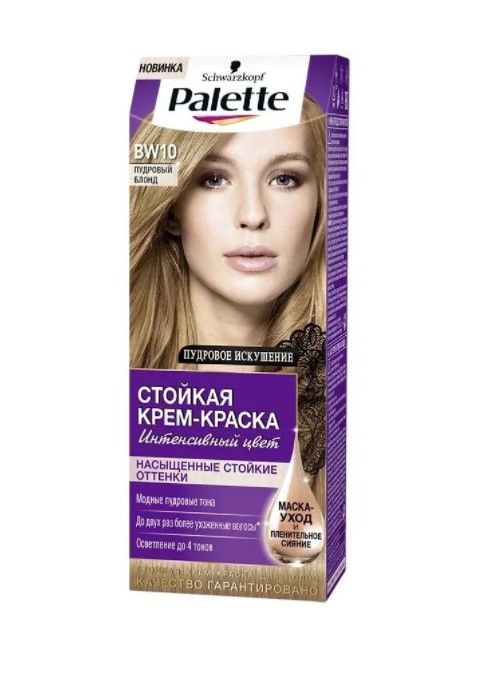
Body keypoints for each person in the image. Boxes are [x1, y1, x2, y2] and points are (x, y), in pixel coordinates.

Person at [130, 94, 326, 486]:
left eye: (285, 179)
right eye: (214, 180)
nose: (253, 215)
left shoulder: (341, 407)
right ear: (171, 210)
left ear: (321, 201)